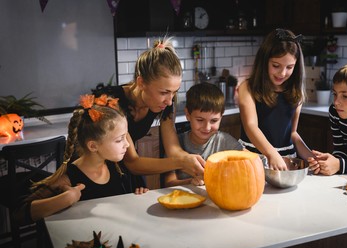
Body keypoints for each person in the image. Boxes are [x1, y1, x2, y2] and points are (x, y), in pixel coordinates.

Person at [13, 94, 148, 225]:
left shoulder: (118, 167)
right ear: (93, 146)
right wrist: (66, 199)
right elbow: (19, 215)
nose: (127, 144)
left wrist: (137, 196)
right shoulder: (68, 178)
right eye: (119, 140)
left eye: (126, 137)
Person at [93, 37, 205, 187]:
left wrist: (192, 161)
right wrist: (180, 162)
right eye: (164, 92)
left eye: (174, 92)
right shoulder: (111, 102)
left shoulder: (164, 103)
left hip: (124, 172)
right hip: (96, 174)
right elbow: (132, 162)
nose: (170, 101)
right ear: (141, 83)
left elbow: (173, 149)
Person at [238, 28, 313, 171]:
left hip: (287, 159)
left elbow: (293, 133)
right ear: (264, 61)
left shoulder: (296, 92)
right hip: (252, 158)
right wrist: (271, 153)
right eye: (276, 66)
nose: (283, 73)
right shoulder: (247, 88)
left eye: (289, 67)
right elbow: (251, 126)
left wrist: (311, 158)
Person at [164, 82, 243, 187]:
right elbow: (169, 183)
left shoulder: (226, 142)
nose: (207, 127)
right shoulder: (174, 145)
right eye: (200, 120)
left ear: (221, 117)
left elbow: (247, 165)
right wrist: (191, 181)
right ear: (188, 114)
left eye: (214, 120)